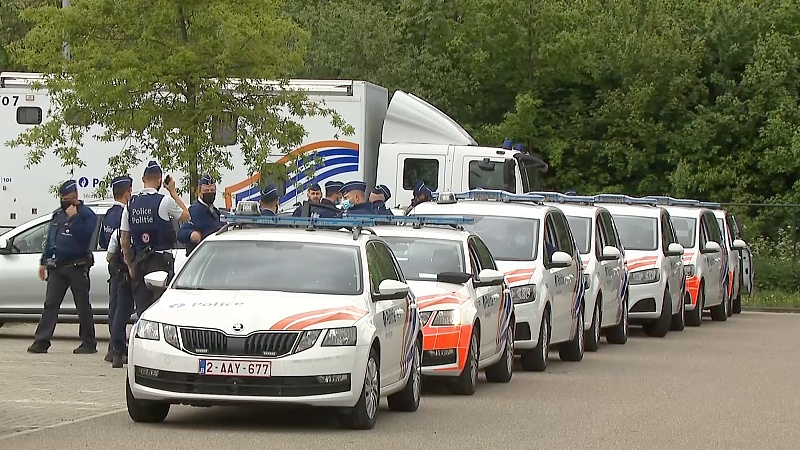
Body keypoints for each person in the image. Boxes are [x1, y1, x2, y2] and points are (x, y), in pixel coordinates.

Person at [27, 180, 99, 354]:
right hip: (57, 267)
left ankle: (89, 342)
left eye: (67, 198)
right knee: (50, 304)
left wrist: (74, 218)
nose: (64, 202)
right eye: (62, 198)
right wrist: (44, 261)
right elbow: (51, 240)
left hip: (77, 266)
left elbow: (84, 237)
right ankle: (42, 341)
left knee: (82, 306)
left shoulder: (87, 215)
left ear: (76, 196)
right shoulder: (57, 215)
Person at [120, 161, 190, 316]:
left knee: (142, 312)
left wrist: (130, 265)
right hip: (160, 263)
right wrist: (173, 192)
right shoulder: (164, 201)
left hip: (139, 262)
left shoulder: (130, 204)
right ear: (160, 180)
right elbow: (186, 216)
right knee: (161, 311)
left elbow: (124, 239)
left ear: (143, 178)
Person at [99, 175, 133, 362]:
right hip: (125, 267)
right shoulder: (124, 215)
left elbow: (104, 241)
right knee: (123, 309)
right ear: (127, 193)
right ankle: (117, 347)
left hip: (114, 269)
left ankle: (113, 347)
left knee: (115, 308)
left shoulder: (108, 215)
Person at [176, 175, 222, 256]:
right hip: (199, 259)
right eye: (206, 190)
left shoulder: (215, 211)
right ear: (199, 192)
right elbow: (181, 234)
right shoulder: (195, 211)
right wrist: (191, 235)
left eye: (212, 190)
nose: (210, 193)